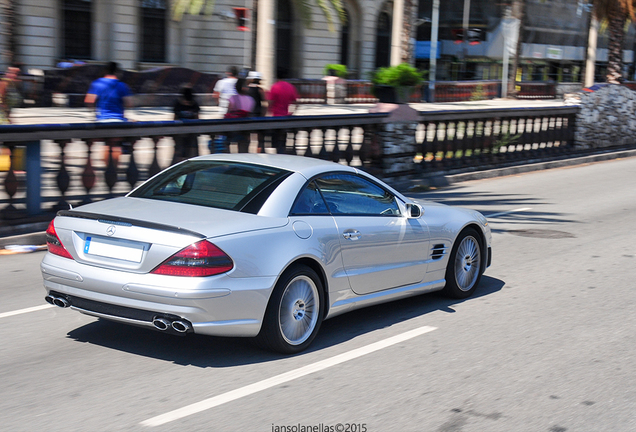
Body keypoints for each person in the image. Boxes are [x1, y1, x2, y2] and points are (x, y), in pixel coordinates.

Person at [84, 62, 134, 165]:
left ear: (105, 71)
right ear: (118, 72)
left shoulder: (97, 83)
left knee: (107, 145)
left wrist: (93, 112)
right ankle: (113, 168)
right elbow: (129, 103)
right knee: (115, 144)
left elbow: (89, 101)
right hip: (118, 120)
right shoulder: (122, 85)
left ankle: (108, 168)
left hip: (102, 120)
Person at [267, 80, 299, 152]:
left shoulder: (275, 86)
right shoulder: (290, 87)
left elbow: (270, 102)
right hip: (285, 117)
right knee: (283, 139)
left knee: (276, 139)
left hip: (275, 117)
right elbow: (296, 103)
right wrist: (291, 113)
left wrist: (269, 112)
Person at [225, 78, 255, 153]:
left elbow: (228, 112)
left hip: (232, 128)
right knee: (243, 150)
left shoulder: (232, 98)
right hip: (245, 129)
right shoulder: (251, 99)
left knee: (226, 146)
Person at [173, 84, 200, 162]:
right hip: (180, 132)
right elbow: (175, 118)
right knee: (179, 152)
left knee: (192, 151)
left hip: (191, 132)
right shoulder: (178, 104)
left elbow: (197, 118)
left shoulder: (194, 104)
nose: (187, 103)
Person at [247, 71, 267, 152]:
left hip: (248, 115)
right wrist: (264, 113)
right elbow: (265, 102)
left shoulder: (246, 90)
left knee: (248, 138)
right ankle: (258, 153)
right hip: (258, 114)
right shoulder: (260, 90)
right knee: (260, 139)